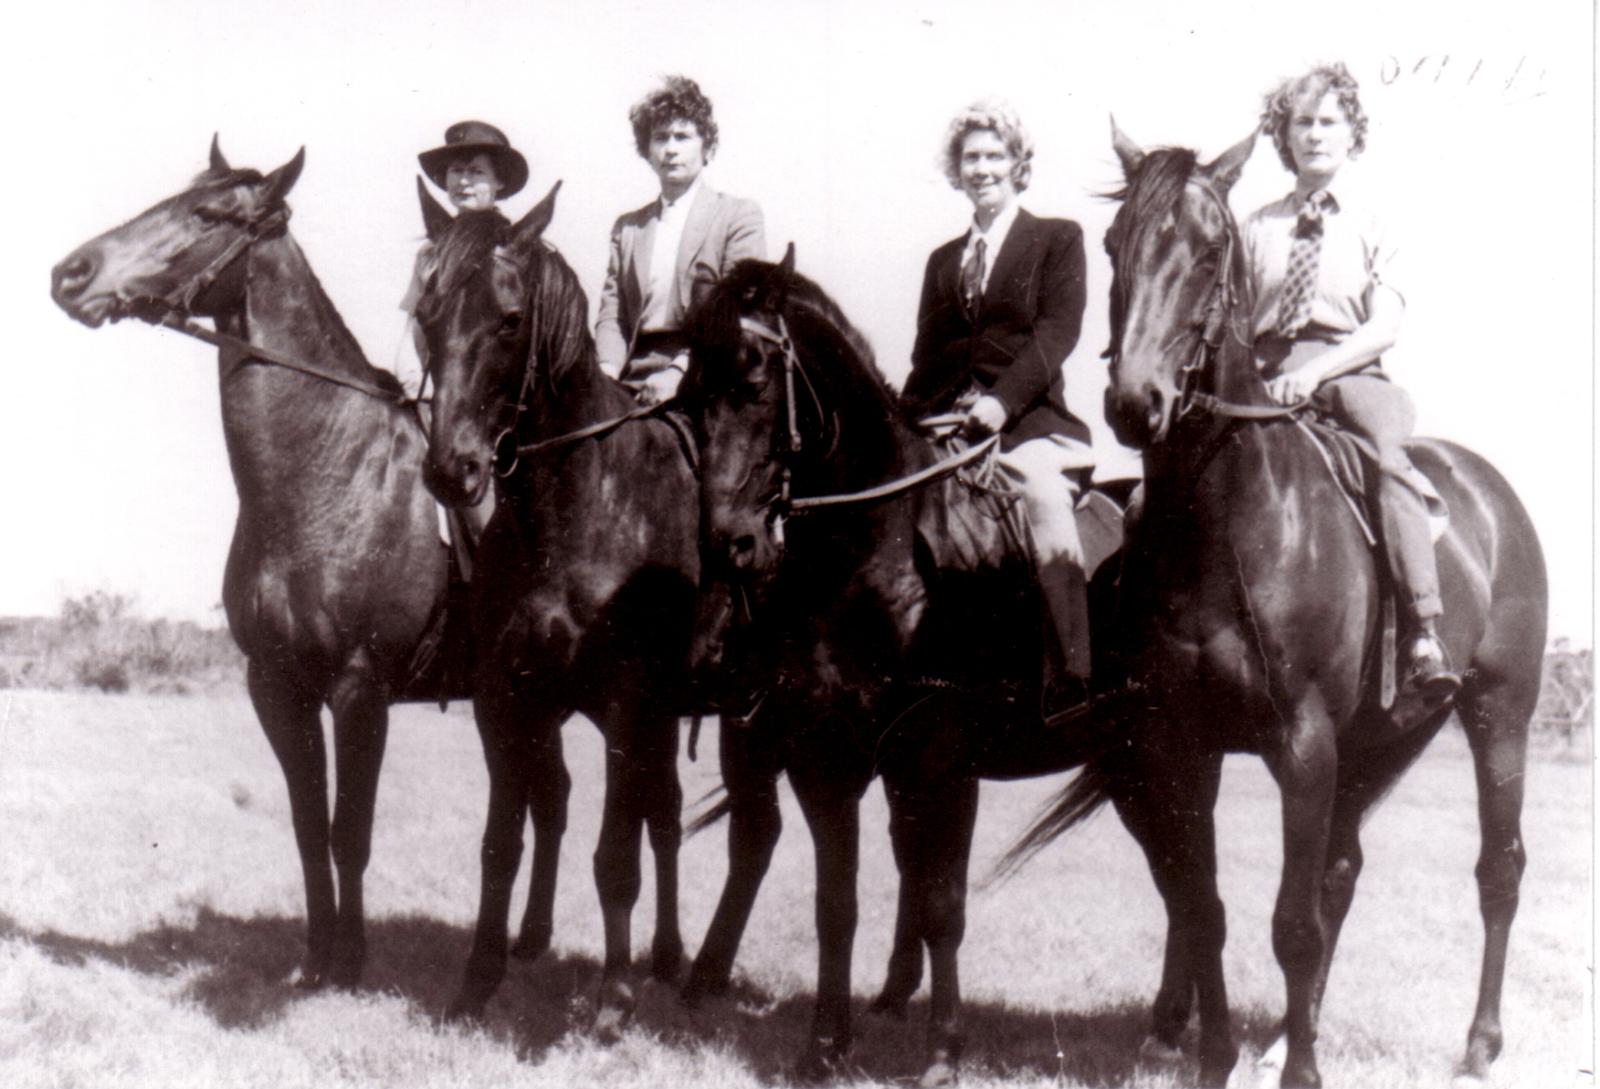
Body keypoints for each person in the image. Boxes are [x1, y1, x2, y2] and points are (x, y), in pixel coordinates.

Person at [1245, 63, 1458, 702]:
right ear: (1284, 136)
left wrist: (1313, 372)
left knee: (1390, 465)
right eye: (1301, 122)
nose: (1314, 134)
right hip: (1264, 378)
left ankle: (1423, 628)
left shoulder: (1376, 219)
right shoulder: (1255, 226)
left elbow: (1384, 325)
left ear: (1351, 132)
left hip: (1350, 372)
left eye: (1328, 121)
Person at [902, 99, 1094, 723]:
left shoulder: (1056, 239)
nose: (982, 168)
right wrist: (903, 418)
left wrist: (999, 402)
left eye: (994, 156)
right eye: (970, 159)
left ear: (1018, 166)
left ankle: (1072, 672)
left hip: (1026, 426)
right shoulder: (940, 260)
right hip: (945, 425)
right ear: (956, 172)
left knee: (1043, 497)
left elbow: (1057, 333)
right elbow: (926, 356)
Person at [596, 76, 765, 404]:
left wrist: (679, 372)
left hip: (707, 375)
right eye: (660, 138)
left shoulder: (738, 216)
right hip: (632, 376)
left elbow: (738, 314)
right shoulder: (628, 228)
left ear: (708, 148)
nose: (670, 149)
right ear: (647, 151)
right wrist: (605, 375)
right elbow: (612, 313)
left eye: (682, 136)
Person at [393, 120, 530, 400]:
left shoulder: (514, 249)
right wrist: (410, 377)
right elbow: (414, 327)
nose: (463, 181)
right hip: (436, 388)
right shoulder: (431, 253)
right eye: (456, 170)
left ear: (498, 181)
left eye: (476, 172)